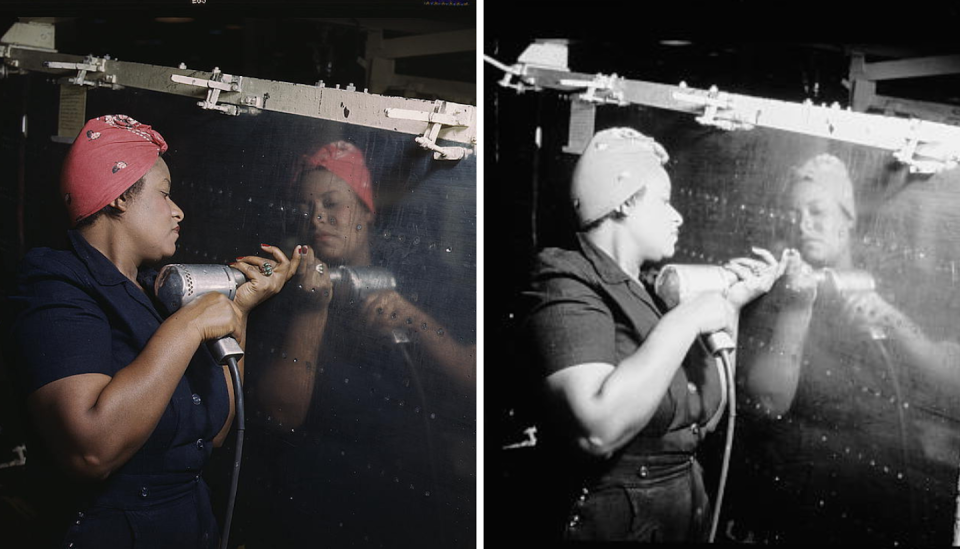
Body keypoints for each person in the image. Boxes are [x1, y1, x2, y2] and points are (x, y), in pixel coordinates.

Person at [6, 114, 301, 549]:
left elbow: (215, 433)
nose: (178, 209)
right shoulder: (55, 284)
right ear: (121, 197)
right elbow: (90, 450)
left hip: (189, 525)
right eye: (164, 194)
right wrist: (189, 325)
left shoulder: (152, 294)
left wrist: (239, 310)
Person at [521, 127, 784, 542]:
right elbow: (598, 429)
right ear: (624, 202)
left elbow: (707, 419)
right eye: (663, 200)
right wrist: (687, 319)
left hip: (678, 515)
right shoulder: (565, 280)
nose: (678, 215)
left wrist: (730, 304)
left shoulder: (648, 292)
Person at [243, 140, 476, 548]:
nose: (318, 218)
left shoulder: (417, 272)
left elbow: (474, 378)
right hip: (314, 500)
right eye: (305, 208)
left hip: (409, 497)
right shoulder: (282, 291)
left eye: (333, 204)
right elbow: (281, 412)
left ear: (367, 211)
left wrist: (416, 322)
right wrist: (311, 310)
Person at [740, 153, 960, 544]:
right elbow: (766, 402)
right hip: (814, 502)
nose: (805, 225)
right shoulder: (774, 294)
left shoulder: (891, 280)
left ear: (849, 217)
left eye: (818, 211)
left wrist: (895, 323)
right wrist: (797, 305)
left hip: (898, 496)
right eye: (794, 214)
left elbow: (952, 379)